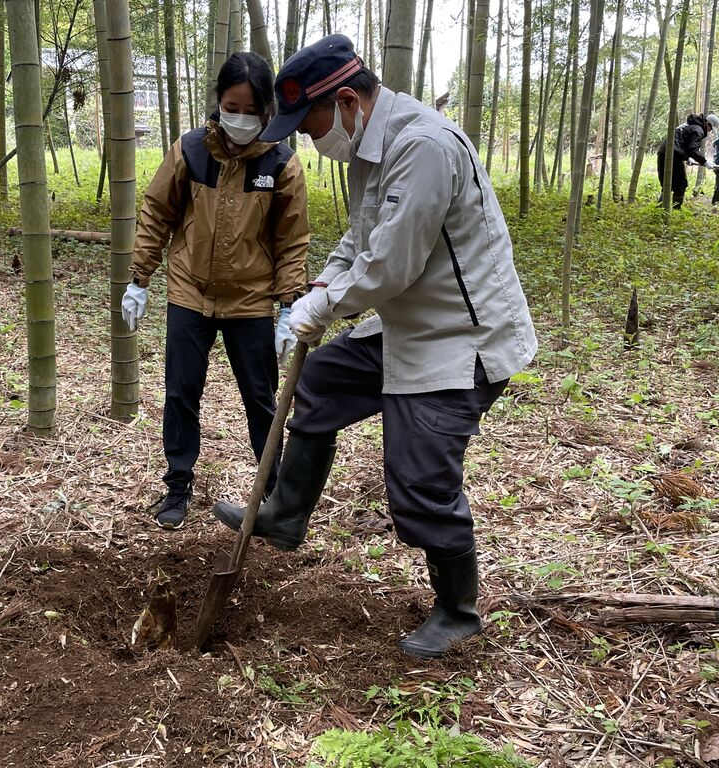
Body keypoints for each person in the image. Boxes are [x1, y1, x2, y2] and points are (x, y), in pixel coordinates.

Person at [211, 35, 538, 659]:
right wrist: (319, 290)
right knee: (323, 380)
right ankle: (285, 511)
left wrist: (327, 305)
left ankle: (458, 608)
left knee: (418, 481)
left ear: (348, 101)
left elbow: (391, 263)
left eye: (309, 126)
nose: (310, 141)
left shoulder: (423, 146)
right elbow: (360, 240)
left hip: (460, 339)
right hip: (406, 324)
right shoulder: (369, 145)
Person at [122, 51, 310, 531]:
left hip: (250, 299)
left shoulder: (282, 164)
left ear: (267, 110)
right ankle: (177, 486)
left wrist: (289, 308)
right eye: (232, 106)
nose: (241, 118)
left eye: (251, 110)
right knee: (181, 393)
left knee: (261, 399)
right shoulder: (190, 150)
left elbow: (292, 240)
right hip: (189, 292)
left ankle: (274, 497)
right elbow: (157, 213)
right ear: (218, 101)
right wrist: (138, 278)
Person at [656, 113, 719, 209]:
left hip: (664, 153)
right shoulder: (698, 130)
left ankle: (659, 208)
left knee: (668, 184)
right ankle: (676, 210)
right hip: (673, 156)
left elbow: (681, 143)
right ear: (707, 124)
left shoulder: (690, 125)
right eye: (710, 129)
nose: (709, 131)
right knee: (681, 184)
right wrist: (705, 162)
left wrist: (686, 157)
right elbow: (692, 149)